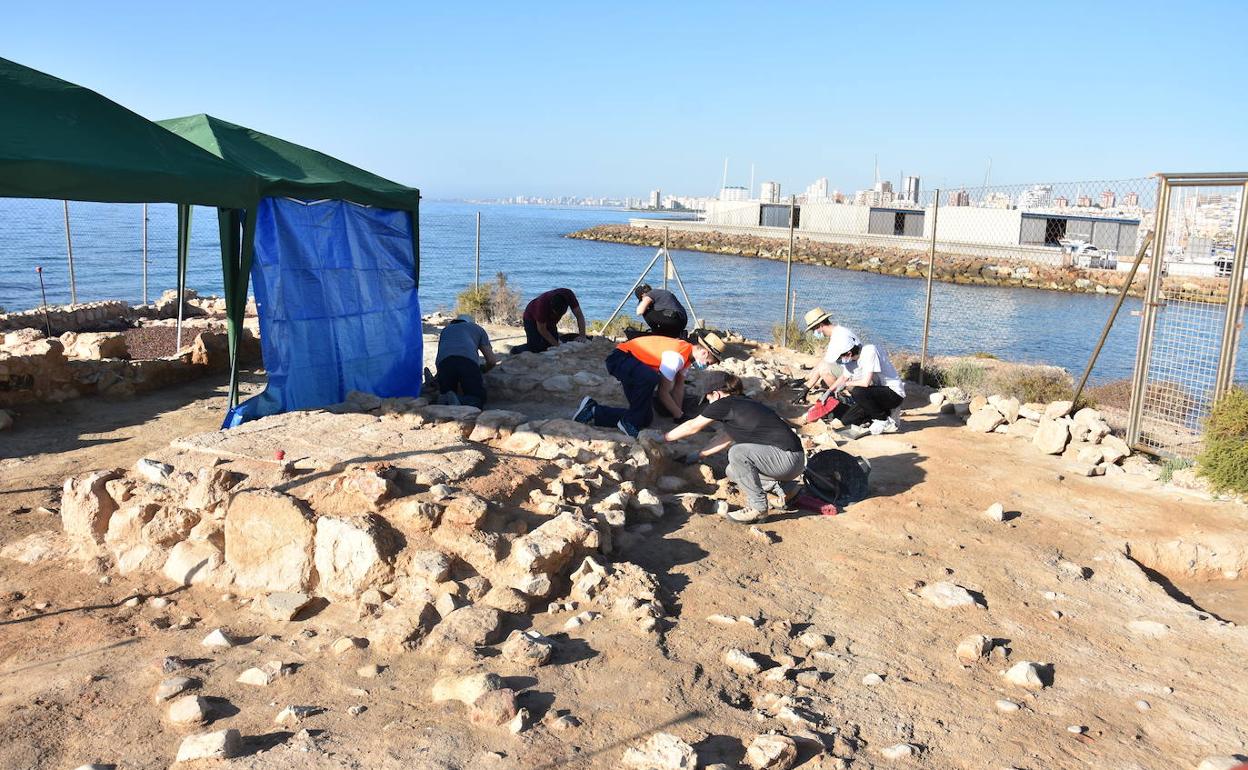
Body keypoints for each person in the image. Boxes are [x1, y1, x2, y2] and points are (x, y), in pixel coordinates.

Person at [662, 373, 806, 524]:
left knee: (737, 452)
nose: (709, 403)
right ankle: (786, 489)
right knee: (732, 470)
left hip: (786, 459)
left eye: (708, 398)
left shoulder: (724, 404)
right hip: (792, 461)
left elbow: (692, 426)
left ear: (716, 394)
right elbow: (725, 437)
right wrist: (699, 455)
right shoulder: (742, 403)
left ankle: (758, 508)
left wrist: (663, 438)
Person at [572, 330, 726, 437]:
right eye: (710, 362)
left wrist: (679, 415)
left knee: (644, 419)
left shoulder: (686, 357)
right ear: (705, 353)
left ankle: (592, 410)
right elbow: (663, 392)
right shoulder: (677, 357)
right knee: (652, 379)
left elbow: (679, 386)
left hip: (635, 368)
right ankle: (627, 422)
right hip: (621, 359)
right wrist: (679, 415)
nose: (708, 365)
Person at [823, 325, 906, 437]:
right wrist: (829, 391)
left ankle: (883, 420)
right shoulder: (851, 361)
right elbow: (844, 377)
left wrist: (846, 384)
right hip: (878, 394)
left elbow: (865, 382)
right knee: (847, 420)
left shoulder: (869, 351)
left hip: (893, 394)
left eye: (840, 358)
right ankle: (886, 414)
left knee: (858, 392)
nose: (840, 361)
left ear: (849, 354)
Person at [434, 314, 498, 408]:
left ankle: (443, 398)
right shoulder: (477, 328)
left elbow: (443, 353)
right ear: (470, 322)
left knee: (448, 393)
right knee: (477, 398)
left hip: (443, 364)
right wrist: (483, 369)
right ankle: (460, 400)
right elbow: (491, 361)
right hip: (467, 362)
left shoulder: (446, 330)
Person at [520, 288, 587, 353]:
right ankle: (516, 350)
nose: (558, 316)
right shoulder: (542, 305)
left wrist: (582, 335)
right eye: (556, 314)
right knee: (536, 348)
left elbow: (579, 315)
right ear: (551, 308)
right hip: (530, 317)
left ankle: (559, 338)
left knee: (551, 343)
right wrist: (558, 346)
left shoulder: (569, 295)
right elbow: (541, 329)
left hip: (550, 321)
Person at [801, 306, 846, 390]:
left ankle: (840, 394)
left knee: (824, 370)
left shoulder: (837, 338)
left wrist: (806, 388)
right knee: (823, 374)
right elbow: (825, 360)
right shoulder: (839, 331)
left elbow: (823, 366)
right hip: (854, 370)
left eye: (814, 329)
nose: (815, 332)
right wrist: (805, 380)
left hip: (855, 375)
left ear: (821, 325)